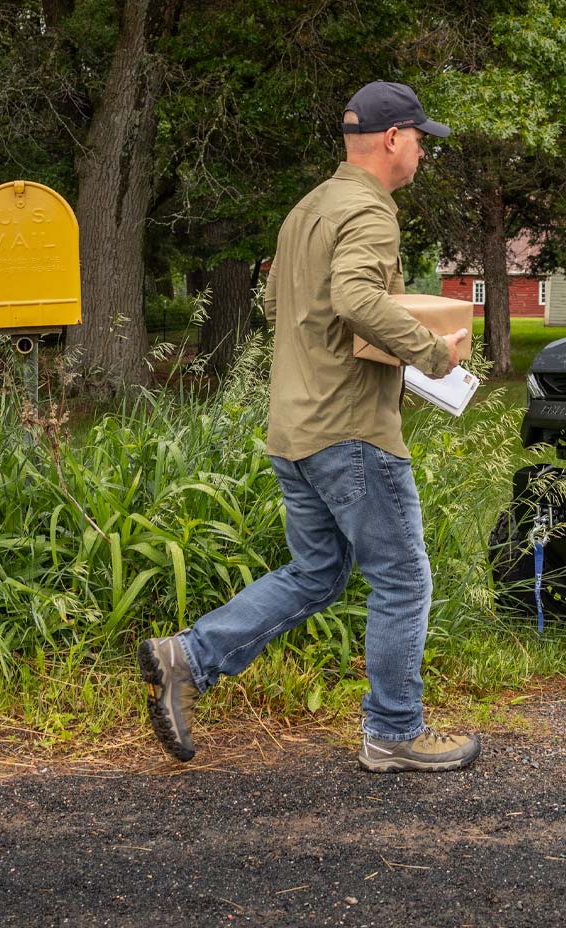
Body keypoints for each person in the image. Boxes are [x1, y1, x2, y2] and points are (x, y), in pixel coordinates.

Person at [139, 80, 480, 773]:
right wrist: (429, 354)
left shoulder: (308, 208)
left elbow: (282, 305)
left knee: (318, 572)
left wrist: (364, 351)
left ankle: (190, 658)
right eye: (420, 139)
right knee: (403, 580)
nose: (422, 151)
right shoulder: (371, 210)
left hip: (294, 427)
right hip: (350, 431)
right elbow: (354, 298)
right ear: (392, 138)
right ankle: (394, 731)